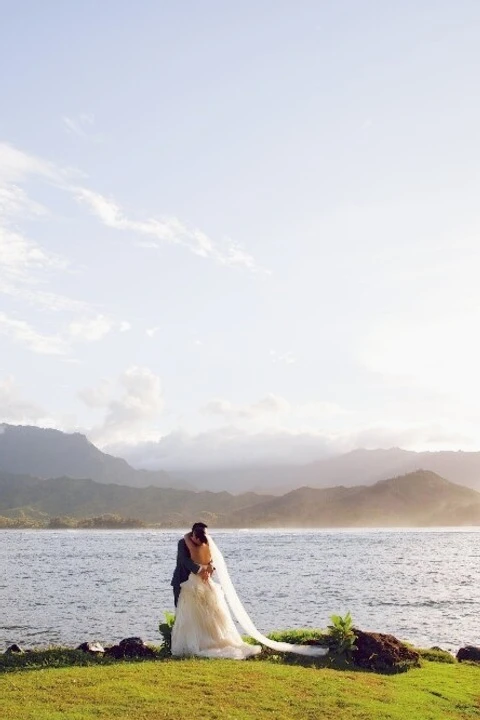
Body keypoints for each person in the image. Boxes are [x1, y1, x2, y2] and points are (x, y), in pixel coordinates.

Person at [170, 522, 328, 660]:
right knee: (186, 613)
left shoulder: (202, 542)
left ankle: (204, 641)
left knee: (207, 614)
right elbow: (184, 561)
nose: (201, 540)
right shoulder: (183, 543)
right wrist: (202, 570)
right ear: (194, 535)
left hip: (201, 582)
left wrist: (209, 568)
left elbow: (211, 559)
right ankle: (190, 642)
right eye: (199, 537)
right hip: (184, 581)